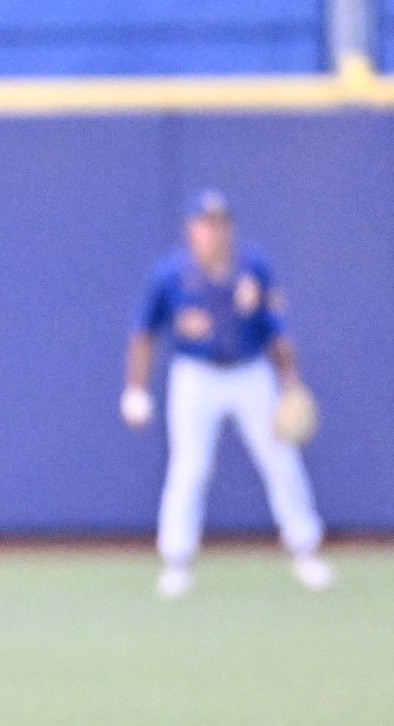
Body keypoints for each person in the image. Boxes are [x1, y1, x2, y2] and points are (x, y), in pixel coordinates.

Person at [121, 190, 332, 598]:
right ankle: (177, 561)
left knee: (280, 458)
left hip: (250, 372)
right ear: (191, 230)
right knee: (190, 466)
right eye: (205, 224)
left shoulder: (252, 267)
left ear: (229, 229)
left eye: (220, 224)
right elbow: (144, 332)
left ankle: (305, 550)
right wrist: (136, 388)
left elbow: (277, 330)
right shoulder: (170, 275)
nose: (213, 232)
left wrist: (290, 380)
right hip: (196, 374)